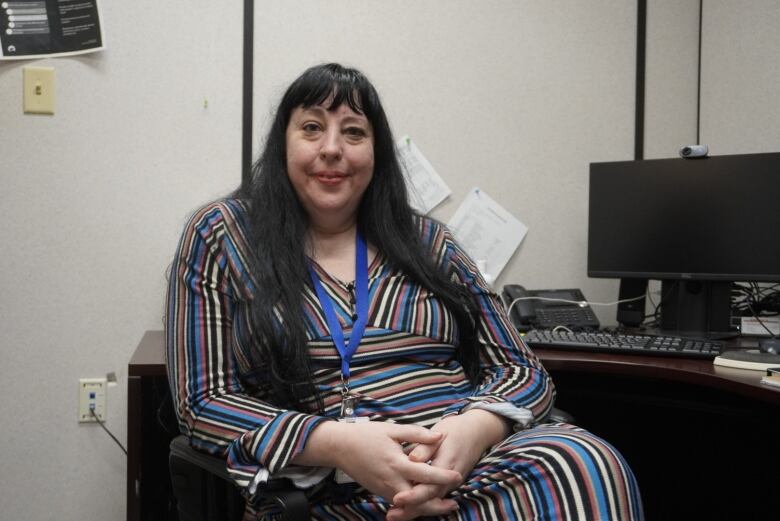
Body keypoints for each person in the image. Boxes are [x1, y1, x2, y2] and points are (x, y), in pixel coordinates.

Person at [166, 62, 643, 520]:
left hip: (466, 470)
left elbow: (522, 370)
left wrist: (476, 428)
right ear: (282, 144)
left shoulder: (430, 242)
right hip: (324, 490)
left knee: (588, 462)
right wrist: (337, 443)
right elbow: (202, 404)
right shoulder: (222, 234)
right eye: (312, 128)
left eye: (353, 132)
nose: (332, 148)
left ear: (377, 154)